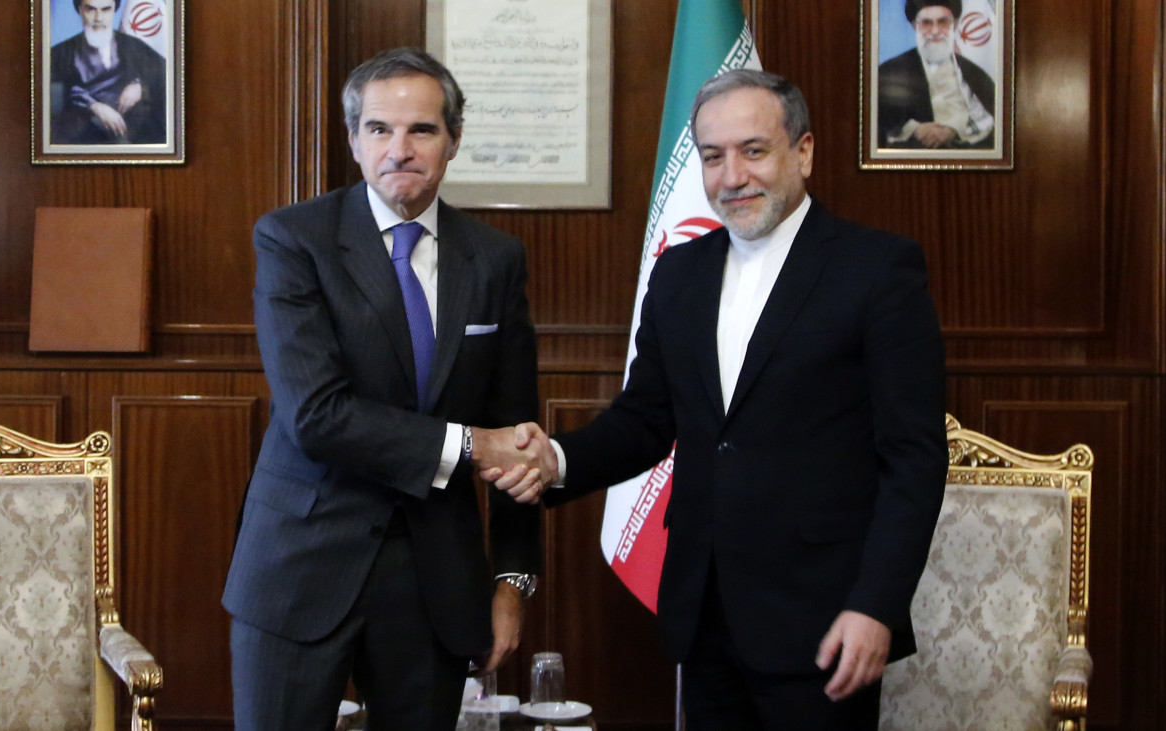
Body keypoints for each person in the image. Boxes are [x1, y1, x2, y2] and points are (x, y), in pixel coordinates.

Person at [488, 69, 948, 729]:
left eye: (753, 150)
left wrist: (875, 604)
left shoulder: (878, 271)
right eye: (712, 156)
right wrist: (554, 458)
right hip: (703, 614)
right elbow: (646, 419)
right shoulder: (679, 272)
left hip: (823, 620)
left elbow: (914, 458)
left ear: (805, 152)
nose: (731, 176)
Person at [222, 47, 546, 731]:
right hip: (299, 567)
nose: (399, 149)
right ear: (353, 139)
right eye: (379, 129)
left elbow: (518, 437)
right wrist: (467, 444)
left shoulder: (494, 258)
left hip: (434, 583)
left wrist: (512, 583)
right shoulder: (293, 239)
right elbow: (316, 415)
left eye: (422, 130)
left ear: (454, 139)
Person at [876, 0, 995, 149]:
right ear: (915, 26)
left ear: (955, 24)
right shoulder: (889, 71)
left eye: (943, 22)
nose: (935, 31)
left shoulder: (974, 74)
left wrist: (954, 130)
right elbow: (876, 120)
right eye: (927, 23)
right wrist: (914, 129)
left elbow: (993, 121)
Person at [49, 0, 166, 144]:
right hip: (82, 138)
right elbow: (52, 95)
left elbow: (167, 76)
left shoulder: (133, 46)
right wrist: (94, 106)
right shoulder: (59, 53)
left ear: (114, 11)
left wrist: (141, 86)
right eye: (91, 9)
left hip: (134, 138)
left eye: (105, 10)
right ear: (80, 10)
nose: (98, 18)